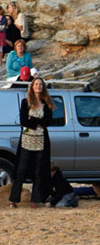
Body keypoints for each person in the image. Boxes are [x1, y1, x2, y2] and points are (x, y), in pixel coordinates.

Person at [8, 77, 55, 208]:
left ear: (43, 87)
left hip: (41, 141)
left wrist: (32, 119)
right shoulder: (25, 102)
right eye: (36, 84)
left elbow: (48, 122)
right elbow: (24, 121)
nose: (38, 86)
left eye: (40, 84)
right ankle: (14, 199)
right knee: (21, 170)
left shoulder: (47, 104)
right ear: (32, 87)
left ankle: (35, 200)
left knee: (38, 171)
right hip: (26, 141)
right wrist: (38, 121)